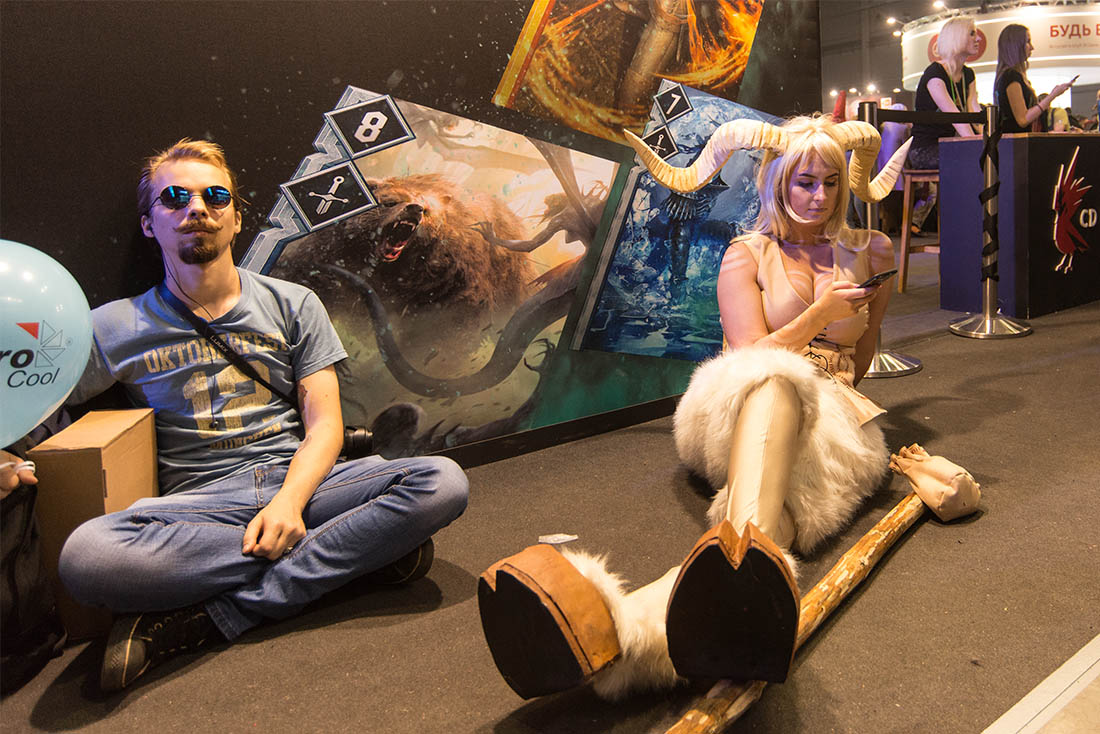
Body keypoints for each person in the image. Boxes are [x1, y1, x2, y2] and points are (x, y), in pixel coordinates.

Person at [478, 115, 911, 700]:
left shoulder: (872, 250)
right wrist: (818, 318)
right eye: (805, 182)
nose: (820, 197)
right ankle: (734, 602)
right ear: (777, 181)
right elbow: (750, 354)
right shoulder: (746, 254)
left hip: (833, 408)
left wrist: (835, 374)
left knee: (777, 514)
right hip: (740, 399)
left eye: (831, 183)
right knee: (778, 380)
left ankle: (625, 633)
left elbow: (858, 361)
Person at [55, 139, 469, 692]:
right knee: (86, 558)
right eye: (175, 198)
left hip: (302, 483)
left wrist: (289, 504)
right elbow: (37, 399)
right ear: (150, 224)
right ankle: (351, 555)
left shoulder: (293, 303)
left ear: (235, 219)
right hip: (198, 506)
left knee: (441, 482)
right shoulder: (111, 327)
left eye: (215, 197)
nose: (196, 208)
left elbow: (325, 426)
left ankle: (211, 616)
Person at [907, 15, 983, 234]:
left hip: (950, 146)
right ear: (956, 37)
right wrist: (976, 143)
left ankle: (970, 225)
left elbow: (974, 112)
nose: (978, 38)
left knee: (985, 157)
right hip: (924, 149)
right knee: (973, 160)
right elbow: (954, 115)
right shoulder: (935, 73)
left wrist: (988, 136)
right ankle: (962, 227)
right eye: (971, 33)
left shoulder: (968, 74)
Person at [994, 24, 1074, 135]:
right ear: (1016, 45)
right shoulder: (1011, 76)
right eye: (1028, 42)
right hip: (1016, 142)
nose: (1032, 47)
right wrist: (1052, 96)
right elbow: (1023, 119)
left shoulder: (1014, 76)